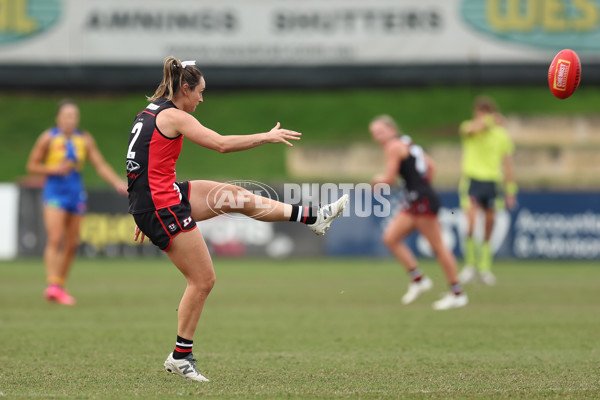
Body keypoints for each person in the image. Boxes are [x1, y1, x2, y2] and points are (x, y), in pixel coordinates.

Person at [127, 56, 348, 382]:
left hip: (159, 198)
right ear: (185, 88)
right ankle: (181, 356)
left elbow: (137, 161)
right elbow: (219, 144)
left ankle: (312, 217)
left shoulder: (152, 112)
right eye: (200, 92)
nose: (202, 99)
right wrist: (265, 137)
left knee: (234, 196)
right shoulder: (174, 116)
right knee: (203, 280)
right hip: (161, 205)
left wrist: (140, 206)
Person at [26, 100, 128, 305]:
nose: (70, 120)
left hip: (76, 192)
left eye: (74, 116)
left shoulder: (85, 139)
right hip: (55, 192)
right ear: (58, 118)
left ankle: (59, 286)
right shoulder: (49, 138)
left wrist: (117, 182)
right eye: (66, 116)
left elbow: (100, 164)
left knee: (72, 244)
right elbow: (32, 165)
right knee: (55, 238)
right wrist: (54, 169)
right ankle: (52, 284)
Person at [369, 115, 467, 310]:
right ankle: (419, 280)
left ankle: (457, 293)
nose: (378, 137)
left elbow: (388, 179)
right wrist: (421, 184)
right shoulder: (407, 142)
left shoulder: (393, 146)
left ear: (391, 129)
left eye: (381, 132)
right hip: (417, 198)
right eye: (374, 134)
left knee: (438, 247)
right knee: (391, 238)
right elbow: (431, 166)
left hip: (421, 200)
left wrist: (376, 181)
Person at [457, 96, 517, 286]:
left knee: (489, 224)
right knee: (471, 222)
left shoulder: (501, 135)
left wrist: (511, 190)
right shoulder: (468, 128)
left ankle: (484, 267)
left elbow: (507, 163)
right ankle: (470, 264)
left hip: (492, 183)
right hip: (472, 181)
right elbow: (473, 128)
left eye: (486, 113)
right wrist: (491, 121)